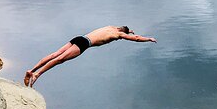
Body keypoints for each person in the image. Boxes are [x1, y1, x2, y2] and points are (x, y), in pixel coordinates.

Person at [24, 26, 156, 87]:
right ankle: (37, 75)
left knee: (55, 54)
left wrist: (129, 30)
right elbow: (136, 38)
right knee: (60, 60)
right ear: (122, 34)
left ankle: (31, 70)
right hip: (84, 44)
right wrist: (148, 39)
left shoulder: (111, 27)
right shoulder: (118, 35)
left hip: (79, 37)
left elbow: (125, 29)